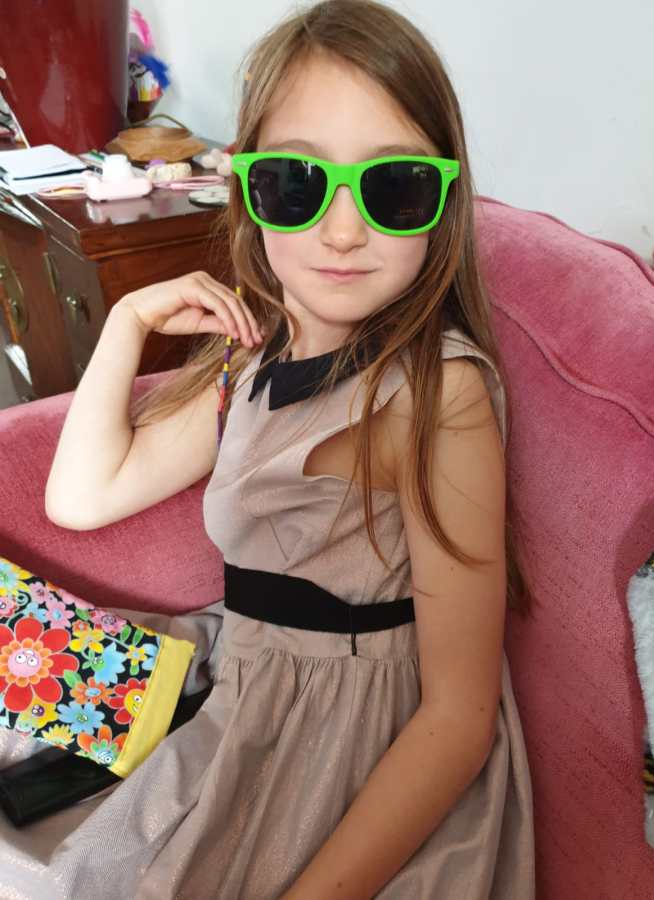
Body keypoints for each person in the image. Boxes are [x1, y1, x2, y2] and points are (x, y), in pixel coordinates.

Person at [0, 1, 535, 896]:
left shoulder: (439, 398)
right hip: (233, 683)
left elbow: (456, 720)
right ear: (246, 188)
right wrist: (128, 321)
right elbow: (82, 499)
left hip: (338, 745)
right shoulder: (253, 357)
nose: (342, 229)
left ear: (440, 202)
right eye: (296, 183)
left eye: (392, 187)